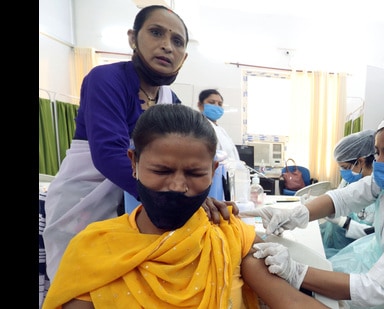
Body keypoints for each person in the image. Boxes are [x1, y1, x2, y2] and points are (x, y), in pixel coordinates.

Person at [42, 104, 329, 309]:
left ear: (214, 169)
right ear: (134, 163)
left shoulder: (230, 235)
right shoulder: (93, 248)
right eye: (162, 170)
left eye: (194, 173)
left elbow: (290, 301)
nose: (179, 186)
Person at [43, 5, 236, 283]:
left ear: (184, 55)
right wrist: (175, 199)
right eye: (156, 33)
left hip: (136, 208)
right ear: (133, 38)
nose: (166, 46)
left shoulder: (171, 100)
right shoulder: (106, 79)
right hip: (86, 201)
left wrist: (200, 196)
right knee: (79, 282)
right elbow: (109, 154)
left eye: (177, 41)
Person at [243, 111, 384, 309]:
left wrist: (295, 271)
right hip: (377, 264)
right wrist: (297, 214)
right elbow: (342, 198)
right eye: (377, 153)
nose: (380, 163)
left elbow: (374, 289)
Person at [320, 129, 376, 258]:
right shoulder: (349, 180)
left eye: (345, 167)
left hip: (356, 253)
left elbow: (374, 235)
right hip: (334, 244)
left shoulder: (380, 190)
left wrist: (343, 222)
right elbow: (338, 200)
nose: (343, 172)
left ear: (360, 162)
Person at [197, 88, 240, 162]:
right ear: (200, 105)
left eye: (220, 104)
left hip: (228, 171)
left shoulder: (221, 130)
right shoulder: (198, 126)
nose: (216, 106)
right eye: (211, 102)